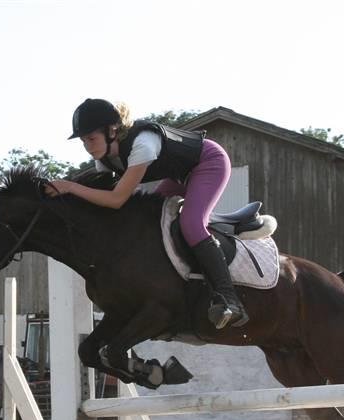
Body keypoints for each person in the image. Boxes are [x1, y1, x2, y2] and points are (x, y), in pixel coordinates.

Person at [46, 98, 248, 330]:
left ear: (112, 130)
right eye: (83, 141)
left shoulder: (142, 144)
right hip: (177, 176)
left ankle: (228, 299)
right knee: (151, 221)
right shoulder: (105, 161)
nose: (88, 146)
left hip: (209, 163)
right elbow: (108, 202)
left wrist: (70, 186)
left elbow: (116, 200)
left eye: (92, 139)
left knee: (191, 224)